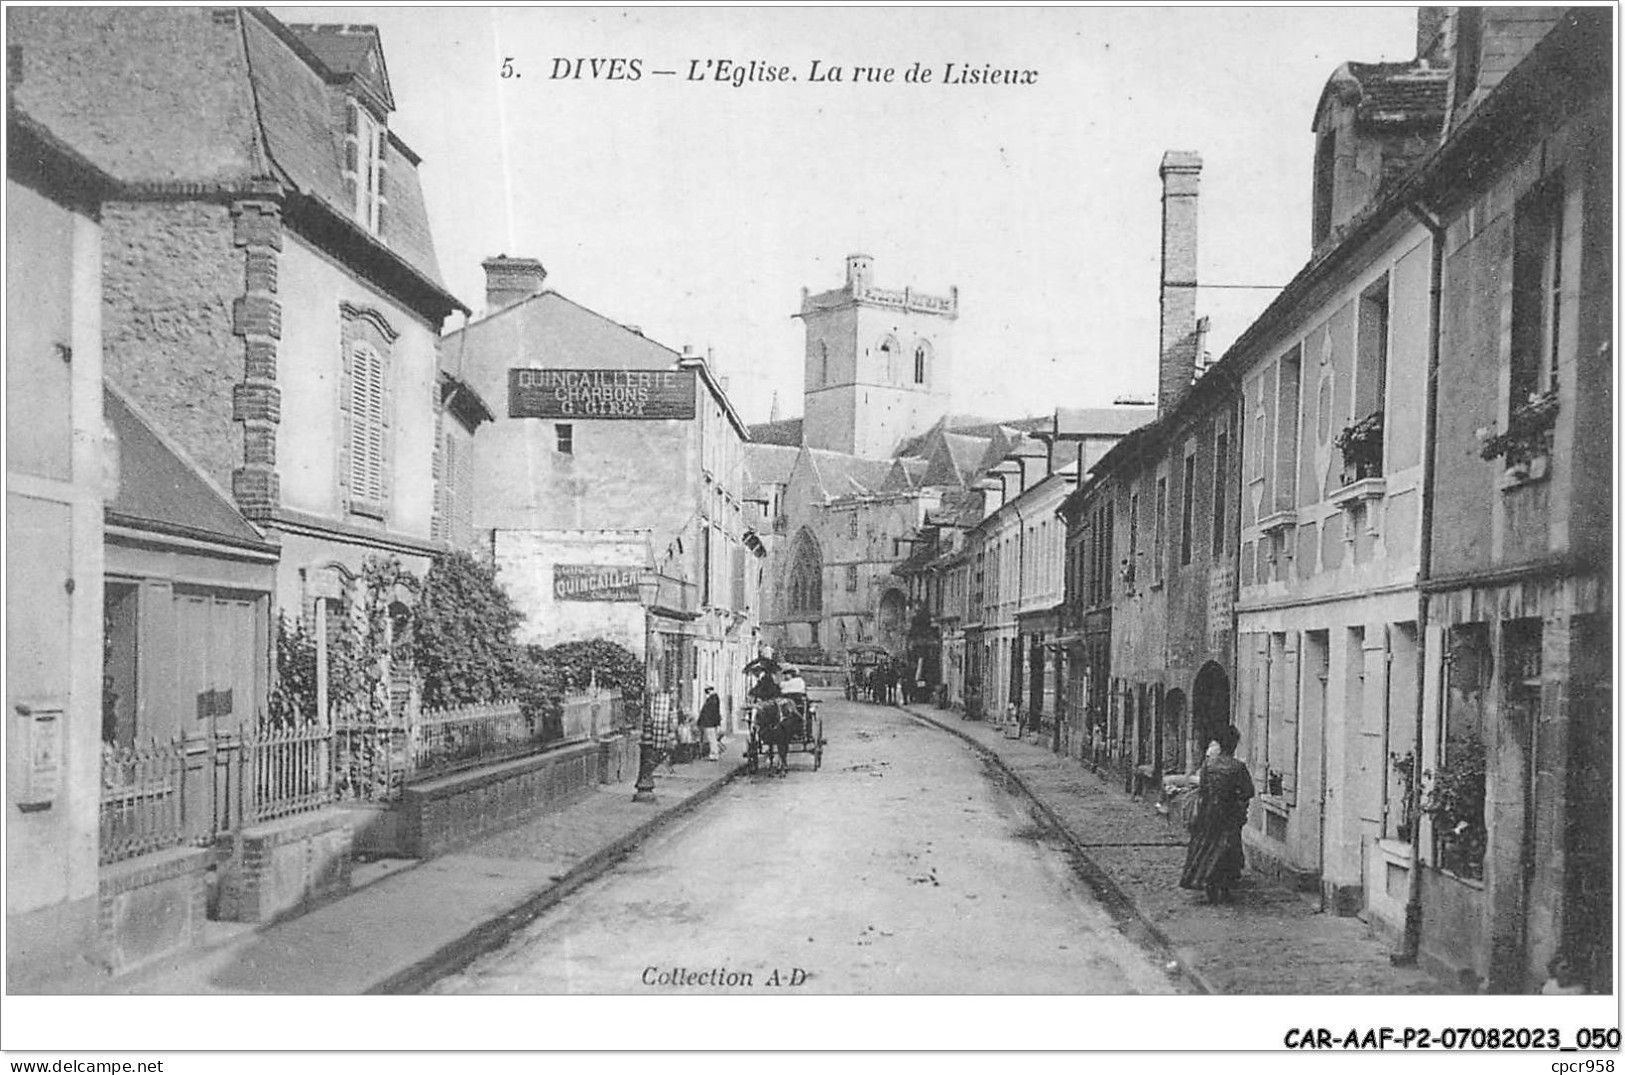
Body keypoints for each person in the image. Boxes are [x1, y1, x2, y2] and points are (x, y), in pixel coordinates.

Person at [1179, 724, 1255, 904]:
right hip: (1229, 815)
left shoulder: (1208, 764)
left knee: (1207, 847)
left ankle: (1208, 883)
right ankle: (1225, 886)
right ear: (1234, 744)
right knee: (1228, 851)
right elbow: (1248, 791)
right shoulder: (1237, 767)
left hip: (1209, 814)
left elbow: (1203, 789)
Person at [698, 685, 723, 761]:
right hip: (711, 723)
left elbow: (709, 712)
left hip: (709, 723)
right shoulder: (714, 699)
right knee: (712, 738)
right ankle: (714, 753)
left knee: (711, 739)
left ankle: (714, 754)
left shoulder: (712, 700)